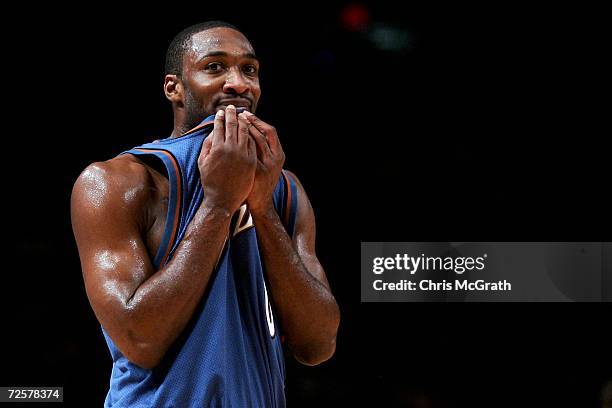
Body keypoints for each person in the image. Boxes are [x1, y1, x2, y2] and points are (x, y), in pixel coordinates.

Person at [71, 20, 340, 407]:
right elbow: (140, 338)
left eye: (250, 70)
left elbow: (319, 344)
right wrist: (218, 206)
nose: (239, 83)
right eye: (215, 67)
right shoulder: (116, 182)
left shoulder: (285, 189)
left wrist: (261, 208)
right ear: (173, 88)